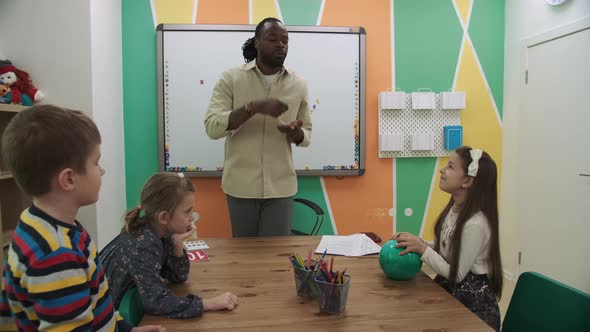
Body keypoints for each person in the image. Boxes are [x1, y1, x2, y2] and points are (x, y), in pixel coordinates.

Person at [0, 105, 163, 331]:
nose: (102, 171)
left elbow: (95, 303)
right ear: (68, 180)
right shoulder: (56, 255)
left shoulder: (42, 223)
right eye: (96, 162)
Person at [204, 17, 312, 237]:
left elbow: (306, 134)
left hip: (281, 187)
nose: (281, 44)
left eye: (285, 40)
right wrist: (254, 107)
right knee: (245, 257)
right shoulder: (231, 79)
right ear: (257, 42)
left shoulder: (298, 84)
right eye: (272, 38)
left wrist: (296, 133)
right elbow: (213, 127)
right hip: (240, 187)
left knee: (275, 257)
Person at [392, 146, 503, 331]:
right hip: (451, 288)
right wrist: (419, 243)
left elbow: (457, 275)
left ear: (467, 180)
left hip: (472, 306)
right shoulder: (455, 209)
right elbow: (449, 248)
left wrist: (422, 249)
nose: (442, 170)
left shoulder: (475, 224)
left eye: (451, 166)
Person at [100, 172, 239, 319]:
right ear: (164, 217)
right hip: (111, 321)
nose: (192, 216)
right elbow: (156, 301)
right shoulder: (144, 244)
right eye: (187, 211)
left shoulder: (161, 232)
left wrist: (177, 245)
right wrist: (208, 304)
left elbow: (178, 277)